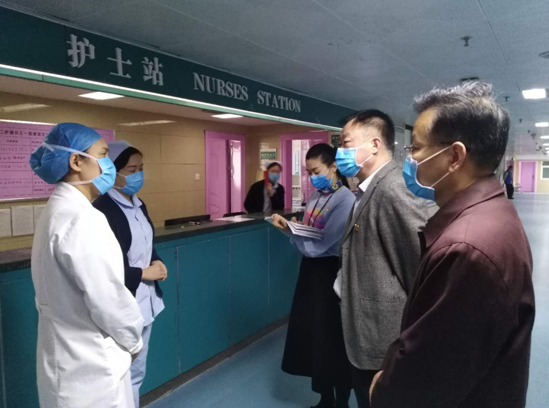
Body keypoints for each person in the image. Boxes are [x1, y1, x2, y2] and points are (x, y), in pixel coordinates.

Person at [370, 82, 535, 408]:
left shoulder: (467, 249)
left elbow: (430, 370)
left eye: (416, 148)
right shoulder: (493, 212)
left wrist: (383, 388)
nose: (411, 158)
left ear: (454, 157)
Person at [29, 123, 143, 408]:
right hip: (92, 369)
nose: (108, 165)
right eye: (102, 155)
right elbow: (109, 299)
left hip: (65, 362)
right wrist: (133, 341)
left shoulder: (57, 211)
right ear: (76, 161)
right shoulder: (82, 219)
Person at [334, 110, 427, 408]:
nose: (340, 152)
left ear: (374, 144)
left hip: (383, 338)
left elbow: (420, 273)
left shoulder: (393, 189)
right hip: (363, 329)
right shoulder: (365, 190)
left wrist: (412, 345)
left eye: (345, 143)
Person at [272, 144, 355, 408]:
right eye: (309, 172)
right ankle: (325, 398)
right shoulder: (316, 196)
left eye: (317, 171)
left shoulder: (346, 200)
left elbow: (321, 245)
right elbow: (310, 232)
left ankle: (341, 401)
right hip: (310, 273)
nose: (312, 177)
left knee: (333, 337)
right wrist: (293, 228)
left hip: (330, 272)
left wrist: (291, 233)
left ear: (333, 168)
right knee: (315, 335)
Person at [93, 141, 167, 408]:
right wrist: (143, 273)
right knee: (120, 375)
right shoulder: (102, 209)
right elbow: (104, 267)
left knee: (136, 373)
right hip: (124, 303)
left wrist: (156, 261)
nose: (138, 175)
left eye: (141, 168)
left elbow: (145, 242)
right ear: (113, 172)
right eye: (131, 170)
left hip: (146, 302)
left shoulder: (138, 203)